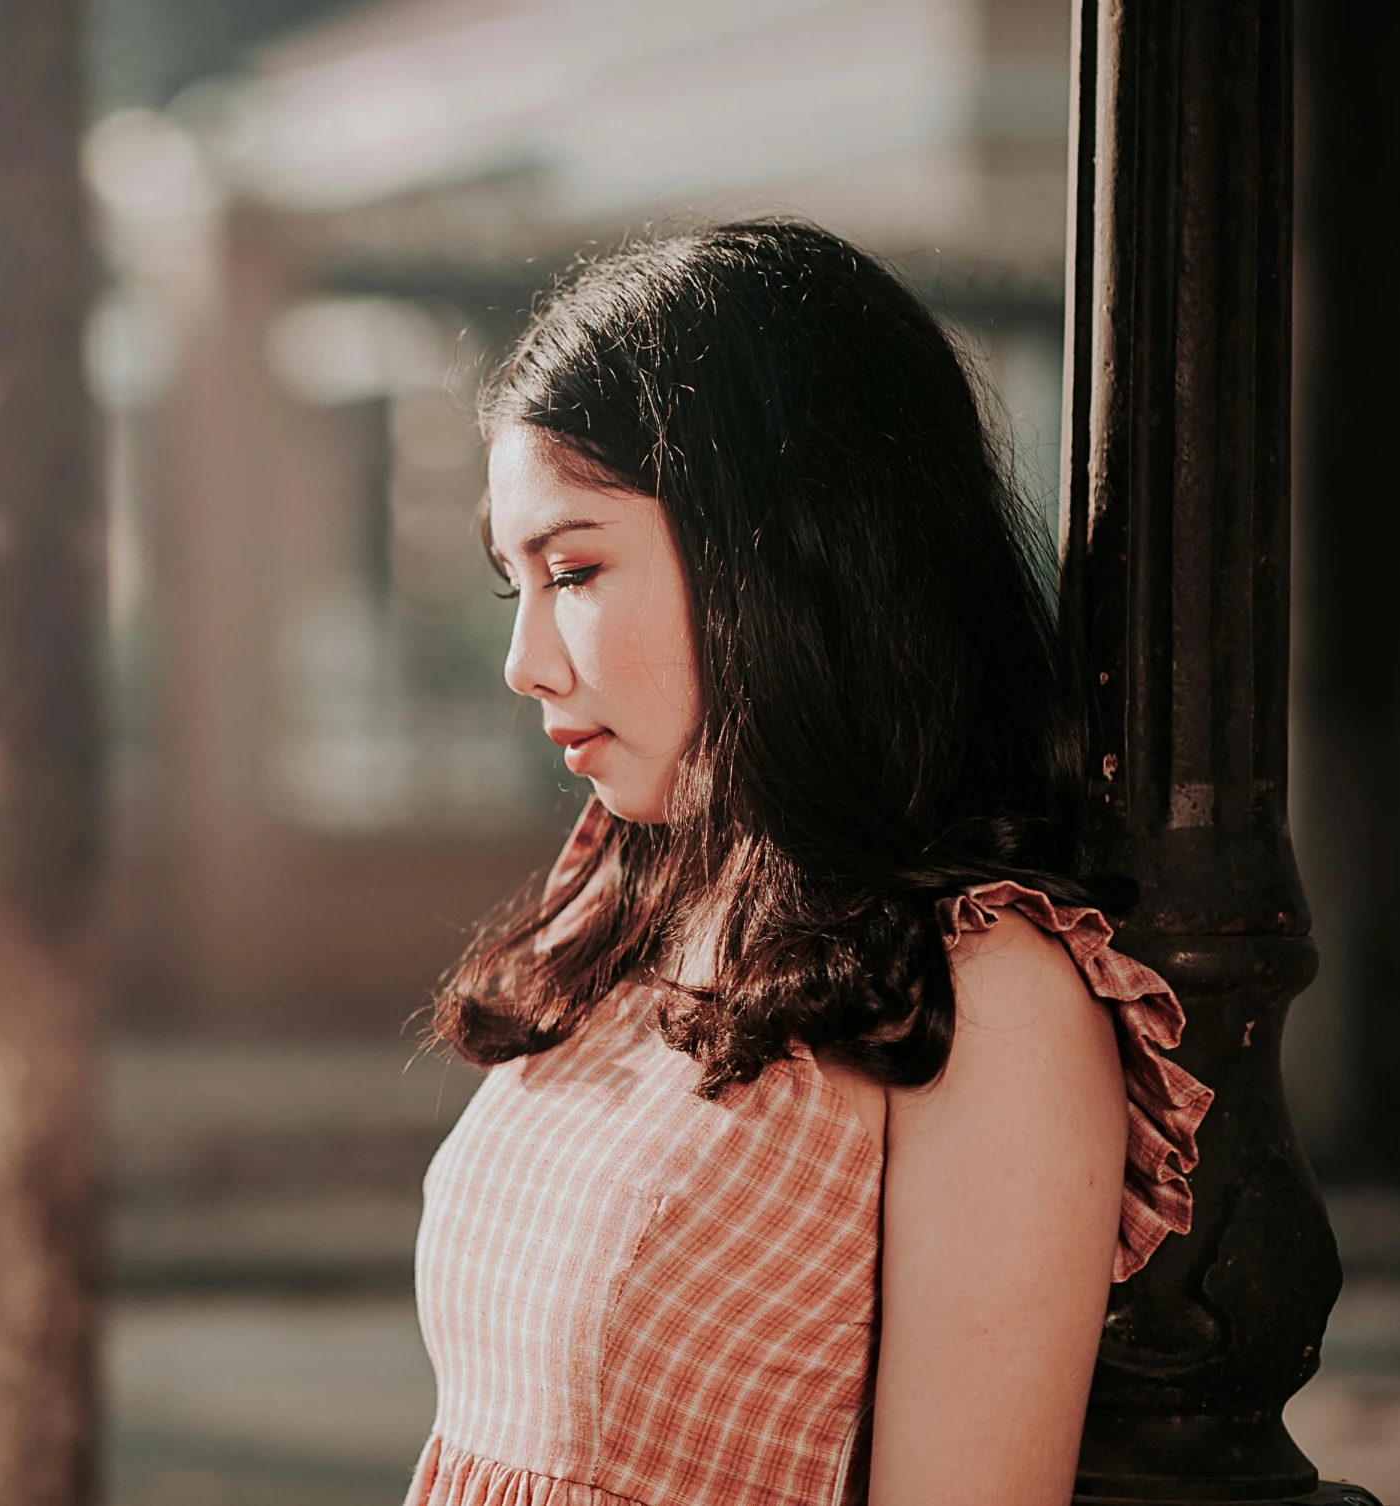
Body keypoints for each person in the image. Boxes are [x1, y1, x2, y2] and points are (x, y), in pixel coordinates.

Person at [406, 220, 1209, 1506]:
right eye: (515, 585)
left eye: (573, 569)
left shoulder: (979, 993)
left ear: (780, 550)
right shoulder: (631, 891)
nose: (527, 664)